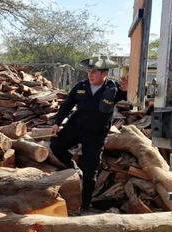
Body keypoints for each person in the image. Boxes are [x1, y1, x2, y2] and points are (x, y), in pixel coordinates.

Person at [50, 57, 128, 210]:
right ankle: (73, 167)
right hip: (76, 126)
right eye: (89, 71)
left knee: (90, 170)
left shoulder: (113, 89)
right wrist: (57, 123)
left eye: (94, 72)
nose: (90, 75)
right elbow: (67, 105)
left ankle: (85, 206)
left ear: (104, 73)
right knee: (56, 146)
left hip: (96, 133)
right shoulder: (81, 86)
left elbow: (131, 96)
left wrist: (128, 89)